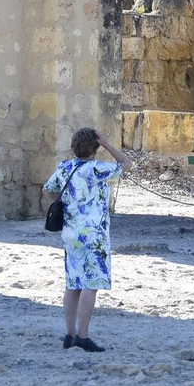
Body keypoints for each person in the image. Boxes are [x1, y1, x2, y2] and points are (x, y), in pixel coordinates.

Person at [41, 128, 132, 352]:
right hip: (94, 235)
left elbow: (47, 190)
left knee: (73, 284)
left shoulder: (65, 168)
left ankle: (70, 333)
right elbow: (126, 163)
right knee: (90, 285)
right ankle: (83, 336)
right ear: (94, 149)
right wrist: (107, 143)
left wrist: (64, 203)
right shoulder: (97, 169)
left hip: (70, 232)